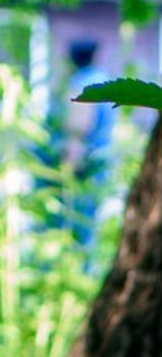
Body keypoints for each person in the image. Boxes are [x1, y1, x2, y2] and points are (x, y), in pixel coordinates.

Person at [58, 38, 116, 246]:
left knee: (76, 217)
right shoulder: (104, 79)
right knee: (92, 217)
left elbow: (79, 127)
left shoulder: (81, 83)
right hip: (103, 154)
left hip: (84, 158)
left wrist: (71, 162)